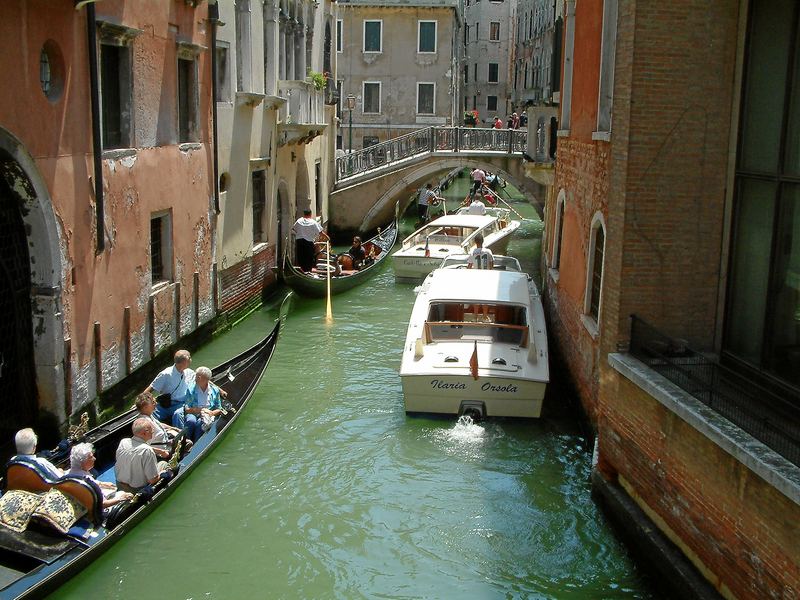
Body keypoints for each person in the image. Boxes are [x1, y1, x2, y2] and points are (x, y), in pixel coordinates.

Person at [68, 443, 133, 508]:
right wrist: (121, 498)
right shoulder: (88, 482)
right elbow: (102, 504)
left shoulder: (69, 473)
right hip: (99, 511)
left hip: (83, 504)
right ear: (83, 462)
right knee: (124, 494)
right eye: (91, 457)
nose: (94, 459)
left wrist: (102, 483)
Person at [115, 418, 169, 493]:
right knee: (164, 464)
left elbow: (136, 447)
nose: (153, 431)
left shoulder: (123, 442)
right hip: (136, 490)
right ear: (144, 433)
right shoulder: (147, 451)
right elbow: (153, 480)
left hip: (120, 485)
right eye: (151, 429)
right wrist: (162, 473)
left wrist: (160, 451)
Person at [144, 349, 195, 429]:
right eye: (189, 359)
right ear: (184, 362)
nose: (191, 360)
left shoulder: (189, 372)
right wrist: (140, 402)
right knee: (150, 414)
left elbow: (204, 380)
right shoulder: (166, 374)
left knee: (177, 414)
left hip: (181, 404)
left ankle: (179, 437)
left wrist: (220, 391)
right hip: (166, 404)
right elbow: (151, 388)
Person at [134, 392, 183, 459]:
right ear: (145, 407)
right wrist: (161, 452)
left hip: (167, 443)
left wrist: (174, 428)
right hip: (163, 453)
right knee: (188, 443)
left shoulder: (149, 415)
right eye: (153, 402)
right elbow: (144, 446)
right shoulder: (144, 424)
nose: (156, 404)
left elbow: (160, 425)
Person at [183, 366, 225, 442]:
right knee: (191, 421)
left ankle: (196, 443)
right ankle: (186, 442)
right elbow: (187, 409)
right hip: (193, 413)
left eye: (198, 376)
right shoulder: (190, 389)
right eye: (196, 376)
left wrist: (211, 413)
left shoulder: (214, 390)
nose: (196, 378)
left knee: (200, 422)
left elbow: (219, 408)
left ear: (206, 379)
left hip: (208, 415)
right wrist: (201, 410)